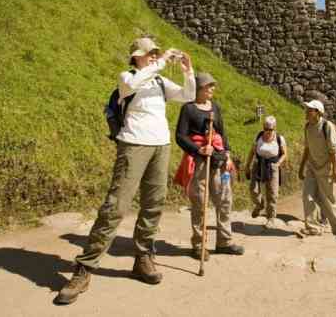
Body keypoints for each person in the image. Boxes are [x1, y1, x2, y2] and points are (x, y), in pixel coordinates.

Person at [56, 38, 196, 306]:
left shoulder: (158, 82)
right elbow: (132, 85)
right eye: (150, 54)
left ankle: (143, 259)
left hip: (161, 146)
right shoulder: (128, 77)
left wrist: (188, 70)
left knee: (153, 205)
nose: (154, 56)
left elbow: (188, 96)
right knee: (115, 207)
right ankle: (84, 269)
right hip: (133, 145)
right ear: (137, 58)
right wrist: (164, 61)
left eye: (156, 53)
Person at [174, 72, 245, 261]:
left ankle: (224, 242)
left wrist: (227, 154)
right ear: (199, 89)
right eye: (209, 86)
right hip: (199, 163)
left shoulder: (215, 107)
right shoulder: (188, 109)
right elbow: (180, 137)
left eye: (212, 86)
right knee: (200, 204)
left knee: (224, 201)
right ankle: (199, 245)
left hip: (219, 160)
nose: (212, 89)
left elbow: (222, 132)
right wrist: (198, 149)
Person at [298, 99, 336, 239]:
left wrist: (335, 170)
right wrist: (301, 168)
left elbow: (333, 151)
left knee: (329, 200)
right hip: (312, 167)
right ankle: (312, 228)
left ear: (318, 113)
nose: (306, 112)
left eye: (309, 110)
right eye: (307, 109)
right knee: (307, 196)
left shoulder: (327, 126)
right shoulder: (307, 127)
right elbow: (307, 149)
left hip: (326, 168)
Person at [245, 115, 287, 229]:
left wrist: (277, 164)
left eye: (270, 129)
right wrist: (247, 166)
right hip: (258, 164)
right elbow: (251, 152)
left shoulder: (279, 138)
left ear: (275, 128)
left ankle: (271, 218)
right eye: (266, 128)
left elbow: (284, 154)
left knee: (272, 193)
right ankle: (259, 205)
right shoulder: (258, 136)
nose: (268, 131)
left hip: (272, 166)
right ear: (263, 127)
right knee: (253, 190)